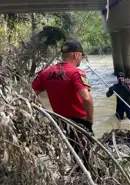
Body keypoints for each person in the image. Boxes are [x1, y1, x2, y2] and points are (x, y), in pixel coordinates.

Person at [31, 40, 94, 169]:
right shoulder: (76, 73)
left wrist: (45, 110)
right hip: (79, 123)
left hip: (60, 121)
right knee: (86, 159)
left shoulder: (45, 72)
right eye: (81, 55)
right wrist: (90, 120)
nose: (81, 58)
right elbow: (86, 98)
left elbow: (30, 94)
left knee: (72, 153)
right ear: (76, 55)